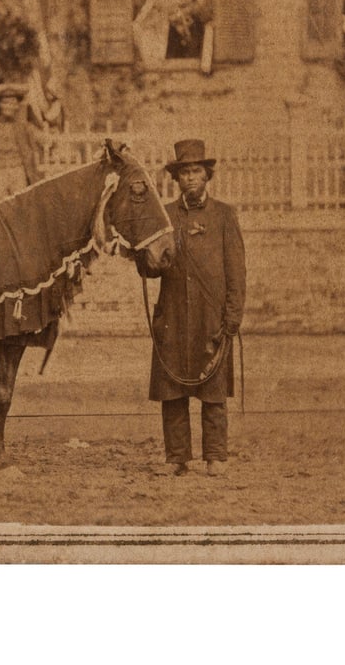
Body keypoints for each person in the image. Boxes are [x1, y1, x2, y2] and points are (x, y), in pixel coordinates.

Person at [139, 139, 246, 477]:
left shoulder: (224, 215)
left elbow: (236, 271)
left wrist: (232, 317)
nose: (190, 178)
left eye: (196, 171)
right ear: (177, 178)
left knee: (213, 391)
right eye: (184, 172)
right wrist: (145, 257)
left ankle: (215, 456)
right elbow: (150, 267)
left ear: (207, 175)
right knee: (173, 390)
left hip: (209, 316)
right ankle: (177, 458)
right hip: (172, 315)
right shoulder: (165, 215)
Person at [0, 83, 43, 202]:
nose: (9, 106)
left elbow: (32, 153)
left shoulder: (24, 127)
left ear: (17, 106)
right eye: (5, 103)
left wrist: (34, 179)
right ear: (0, 105)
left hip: (18, 170)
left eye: (13, 103)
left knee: (20, 206)